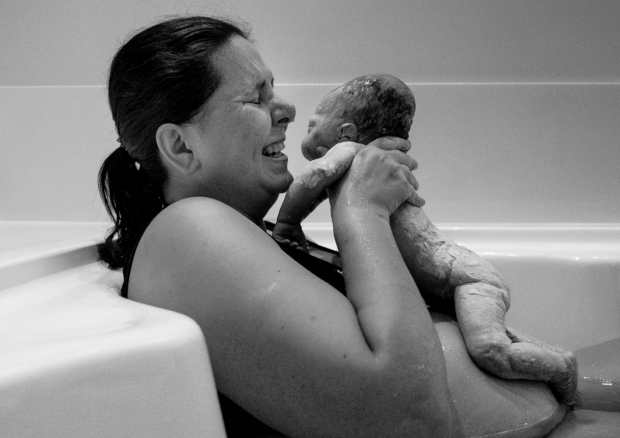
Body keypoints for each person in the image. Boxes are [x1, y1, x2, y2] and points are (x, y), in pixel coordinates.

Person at [97, 16, 461, 437]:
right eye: (256, 98)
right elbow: (415, 421)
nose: (287, 110)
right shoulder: (187, 230)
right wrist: (363, 210)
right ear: (181, 146)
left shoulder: (245, 233)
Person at [272, 74, 578, 406]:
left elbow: (311, 178)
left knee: (491, 350)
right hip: (454, 275)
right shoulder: (370, 166)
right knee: (492, 339)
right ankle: (559, 374)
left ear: (346, 132)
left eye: (312, 126)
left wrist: (287, 224)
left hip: (465, 277)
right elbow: (318, 190)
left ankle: (563, 369)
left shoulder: (351, 151)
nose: (308, 134)